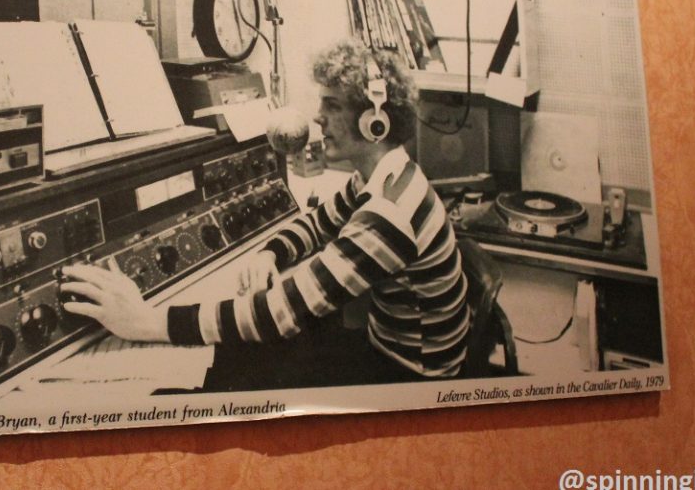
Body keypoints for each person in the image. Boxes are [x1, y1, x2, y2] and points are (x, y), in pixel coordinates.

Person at [60, 39, 470, 382]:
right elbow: (319, 223)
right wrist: (270, 253)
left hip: (409, 376)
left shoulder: (387, 214)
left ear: (373, 121)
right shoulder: (384, 175)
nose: (318, 117)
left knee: (242, 368)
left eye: (332, 105)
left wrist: (146, 322)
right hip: (392, 346)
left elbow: (278, 314)